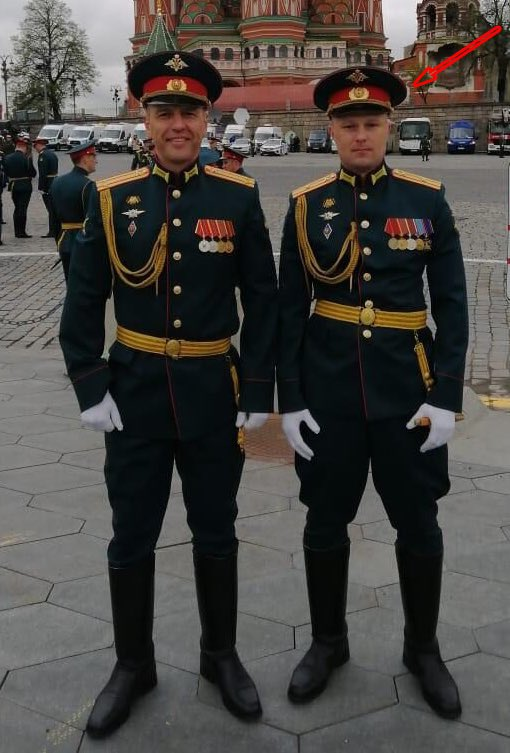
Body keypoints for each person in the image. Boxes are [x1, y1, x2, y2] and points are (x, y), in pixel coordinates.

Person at [60, 50, 277, 738]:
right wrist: (90, 383)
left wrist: (259, 385)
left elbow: (264, 300)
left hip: (213, 393)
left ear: (207, 118)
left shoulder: (236, 197)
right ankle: (133, 664)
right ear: (145, 119)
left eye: (189, 111)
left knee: (216, 529)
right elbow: (83, 298)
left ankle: (220, 655)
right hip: (136, 397)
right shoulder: (111, 198)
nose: (177, 123)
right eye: (164, 111)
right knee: (131, 534)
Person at [277, 66, 468, 720]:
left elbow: (452, 303)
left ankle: (423, 648)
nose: (360, 135)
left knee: (419, 521)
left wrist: (446, 394)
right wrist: (290, 397)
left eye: (371, 123)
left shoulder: (426, 199)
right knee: (324, 520)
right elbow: (289, 307)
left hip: (407, 390)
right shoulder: (307, 205)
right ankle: (328, 642)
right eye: (348, 124)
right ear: (331, 130)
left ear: (388, 127)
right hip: (329, 390)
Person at [49, 141, 97, 282]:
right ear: (85, 159)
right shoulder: (88, 185)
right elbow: (93, 220)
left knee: (70, 284)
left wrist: (60, 243)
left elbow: (53, 219)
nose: (96, 161)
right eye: (94, 156)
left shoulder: (57, 182)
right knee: (85, 286)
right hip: (84, 243)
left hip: (64, 241)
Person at [3, 135, 36, 238]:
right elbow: (33, 173)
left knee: (17, 208)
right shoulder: (27, 158)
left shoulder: (7, 158)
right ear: (24, 148)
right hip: (25, 185)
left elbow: (6, 172)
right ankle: (22, 232)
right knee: (23, 208)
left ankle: (17, 231)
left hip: (13, 185)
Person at [33, 136, 59, 237]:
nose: (35, 148)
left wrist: (41, 187)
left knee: (51, 209)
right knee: (54, 208)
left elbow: (42, 173)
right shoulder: (52, 154)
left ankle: (52, 231)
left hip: (48, 184)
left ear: (39, 145)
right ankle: (56, 229)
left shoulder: (43, 155)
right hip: (54, 181)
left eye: (35, 146)